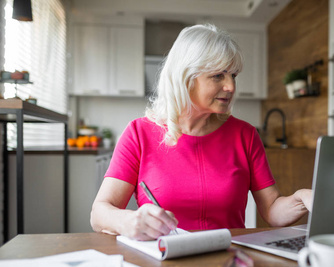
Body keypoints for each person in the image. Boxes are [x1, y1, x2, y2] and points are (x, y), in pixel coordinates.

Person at [90, 24, 312, 241]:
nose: (231, 87)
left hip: (228, 263)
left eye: (233, 75)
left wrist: (302, 198)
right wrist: (128, 221)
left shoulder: (245, 135)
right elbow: (99, 213)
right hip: (163, 262)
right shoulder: (138, 133)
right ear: (186, 77)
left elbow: (272, 210)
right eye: (218, 76)